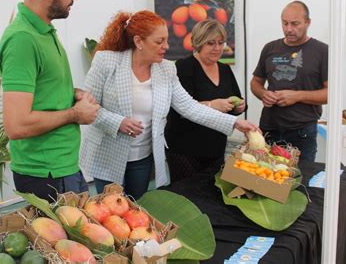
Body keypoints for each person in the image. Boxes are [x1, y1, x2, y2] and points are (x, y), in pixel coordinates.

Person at [79, 10, 259, 199]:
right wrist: (118, 122)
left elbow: (190, 107)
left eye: (166, 40)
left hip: (143, 156)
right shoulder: (106, 61)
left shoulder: (166, 69)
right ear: (139, 41)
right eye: (159, 42)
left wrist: (235, 123)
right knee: (110, 210)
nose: (166, 46)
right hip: (107, 155)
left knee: (138, 206)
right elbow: (88, 107)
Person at [0, 0, 100, 202]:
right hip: (47, 174)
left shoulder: (45, 31)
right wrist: (75, 114)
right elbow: (16, 124)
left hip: (62, 167)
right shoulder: (23, 39)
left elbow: (43, 91)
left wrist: (73, 95)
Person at [164, 19, 247, 183]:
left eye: (220, 43)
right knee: (187, 196)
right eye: (211, 43)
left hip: (215, 148)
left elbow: (236, 101)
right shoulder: (184, 67)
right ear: (198, 42)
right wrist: (212, 104)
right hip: (185, 149)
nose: (217, 48)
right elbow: (180, 108)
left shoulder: (225, 69)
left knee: (210, 197)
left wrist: (240, 106)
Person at [250, 0, 328, 162]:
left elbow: (331, 94)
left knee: (301, 180)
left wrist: (297, 96)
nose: (289, 29)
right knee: (266, 178)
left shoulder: (322, 51)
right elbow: (255, 83)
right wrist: (263, 94)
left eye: (295, 24)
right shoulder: (270, 48)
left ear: (308, 22)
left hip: (302, 132)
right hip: (269, 128)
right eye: (284, 23)